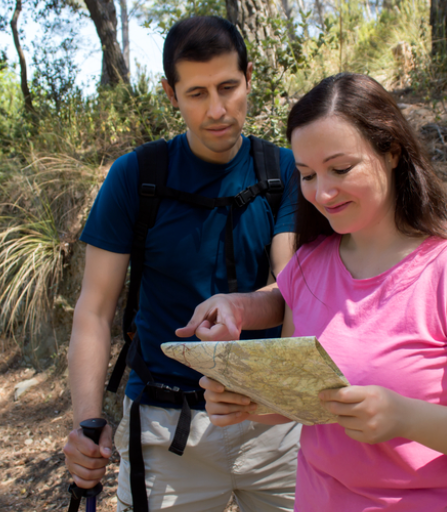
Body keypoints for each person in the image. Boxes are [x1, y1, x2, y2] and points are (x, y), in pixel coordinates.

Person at [192, 73, 447, 511]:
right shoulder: (308, 265)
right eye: (306, 175)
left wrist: (403, 416)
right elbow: (306, 401)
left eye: (340, 169)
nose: (323, 192)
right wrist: (247, 404)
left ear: (392, 151)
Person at [62, 16, 301, 512]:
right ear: (170, 94)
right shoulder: (136, 176)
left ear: (249, 78)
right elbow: (95, 308)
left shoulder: (283, 172)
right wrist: (88, 418)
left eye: (229, 87)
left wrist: (237, 309)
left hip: (274, 423)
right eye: (196, 94)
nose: (217, 110)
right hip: (165, 424)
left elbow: (290, 288)